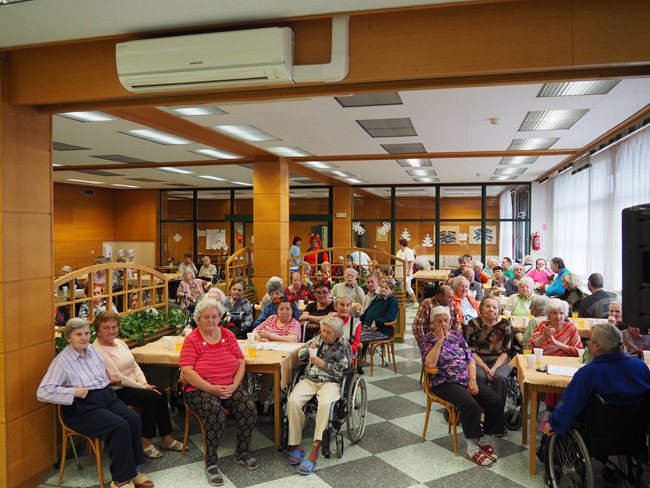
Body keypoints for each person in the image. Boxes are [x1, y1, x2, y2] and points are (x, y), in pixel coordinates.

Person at [37, 318, 153, 488]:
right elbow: (43, 391)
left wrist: (109, 373)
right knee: (119, 426)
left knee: (133, 419)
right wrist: (73, 392)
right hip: (81, 407)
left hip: (105, 396)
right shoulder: (62, 362)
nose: (84, 338)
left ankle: (132, 471)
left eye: (86, 333)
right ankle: (120, 480)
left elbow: (101, 370)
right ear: (68, 338)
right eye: (79, 334)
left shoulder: (91, 350)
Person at [180, 299, 258, 485]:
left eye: (214, 316)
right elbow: (187, 371)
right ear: (198, 319)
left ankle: (242, 452)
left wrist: (234, 385)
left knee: (248, 406)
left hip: (229, 386)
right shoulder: (192, 339)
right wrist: (212, 388)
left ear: (220, 317)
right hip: (198, 389)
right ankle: (211, 463)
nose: (211, 320)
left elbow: (241, 362)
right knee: (215, 413)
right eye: (206, 317)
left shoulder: (228, 335)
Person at [93, 312, 184, 459]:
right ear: (98, 331)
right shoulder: (98, 350)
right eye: (106, 328)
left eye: (114, 327)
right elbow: (117, 377)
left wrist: (144, 383)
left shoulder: (120, 343)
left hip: (133, 385)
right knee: (153, 397)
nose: (111, 331)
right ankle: (145, 440)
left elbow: (134, 365)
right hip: (116, 390)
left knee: (160, 393)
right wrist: (142, 387)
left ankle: (166, 438)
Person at [422, 306, 505, 467]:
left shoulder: (456, 336)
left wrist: (472, 380)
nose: (443, 324)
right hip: (443, 382)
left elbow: (470, 360)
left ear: (450, 320)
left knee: (494, 400)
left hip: (465, 379)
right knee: (469, 404)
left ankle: (486, 441)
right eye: (439, 321)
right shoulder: (428, 340)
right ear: (432, 323)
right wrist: (440, 340)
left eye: (446, 320)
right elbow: (429, 365)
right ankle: (472, 448)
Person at [543, 323, 650, 436]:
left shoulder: (589, 372)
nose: (588, 344)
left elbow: (570, 408)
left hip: (597, 435)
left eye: (589, 340)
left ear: (598, 346)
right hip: (635, 434)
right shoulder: (641, 367)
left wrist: (553, 424)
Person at [286, 317, 352, 475]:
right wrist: (308, 350)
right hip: (310, 379)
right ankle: (296, 445)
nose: (325, 335)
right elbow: (301, 356)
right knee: (293, 401)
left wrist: (324, 364)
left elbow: (344, 372)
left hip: (331, 382)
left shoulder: (344, 346)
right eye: (323, 331)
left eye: (329, 332)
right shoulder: (317, 339)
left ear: (337, 333)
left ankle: (315, 450)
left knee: (324, 405)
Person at [465, 297, 513, 408]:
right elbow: (471, 351)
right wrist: (486, 368)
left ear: (499, 310)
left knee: (500, 378)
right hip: (478, 359)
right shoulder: (473, 324)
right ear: (481, 308)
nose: (491, 309)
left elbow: (506, 352)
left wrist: (494, 369)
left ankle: (497, 411)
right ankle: (479, 409)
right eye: (487, 306)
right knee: (479, 376)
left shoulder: (505, 324)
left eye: (494, 307)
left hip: (500, 360)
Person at [359, 279, 399, 345]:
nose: (383, 289)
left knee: (357, 338)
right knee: (350, 334)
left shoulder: (392, 300)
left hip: (381, 331)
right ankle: (360, 351)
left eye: (386, 288)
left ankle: (361, 351)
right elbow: (367, 311)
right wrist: (359, 319)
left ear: (391, 291)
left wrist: (376, 322)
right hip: (367, 327)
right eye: (382, 287)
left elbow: (390, 317)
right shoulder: (378, 298)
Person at [396, 238, 417, 304]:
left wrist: (409, 272)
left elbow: (411, 262)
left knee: (401, 286)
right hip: (399, 272)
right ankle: (415, 302)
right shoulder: (399, 251)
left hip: (407, 273)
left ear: (401, 244)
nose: (397, 244)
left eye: (398, 243)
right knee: (408, 288)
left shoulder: (409, 251)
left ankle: (400, 302)